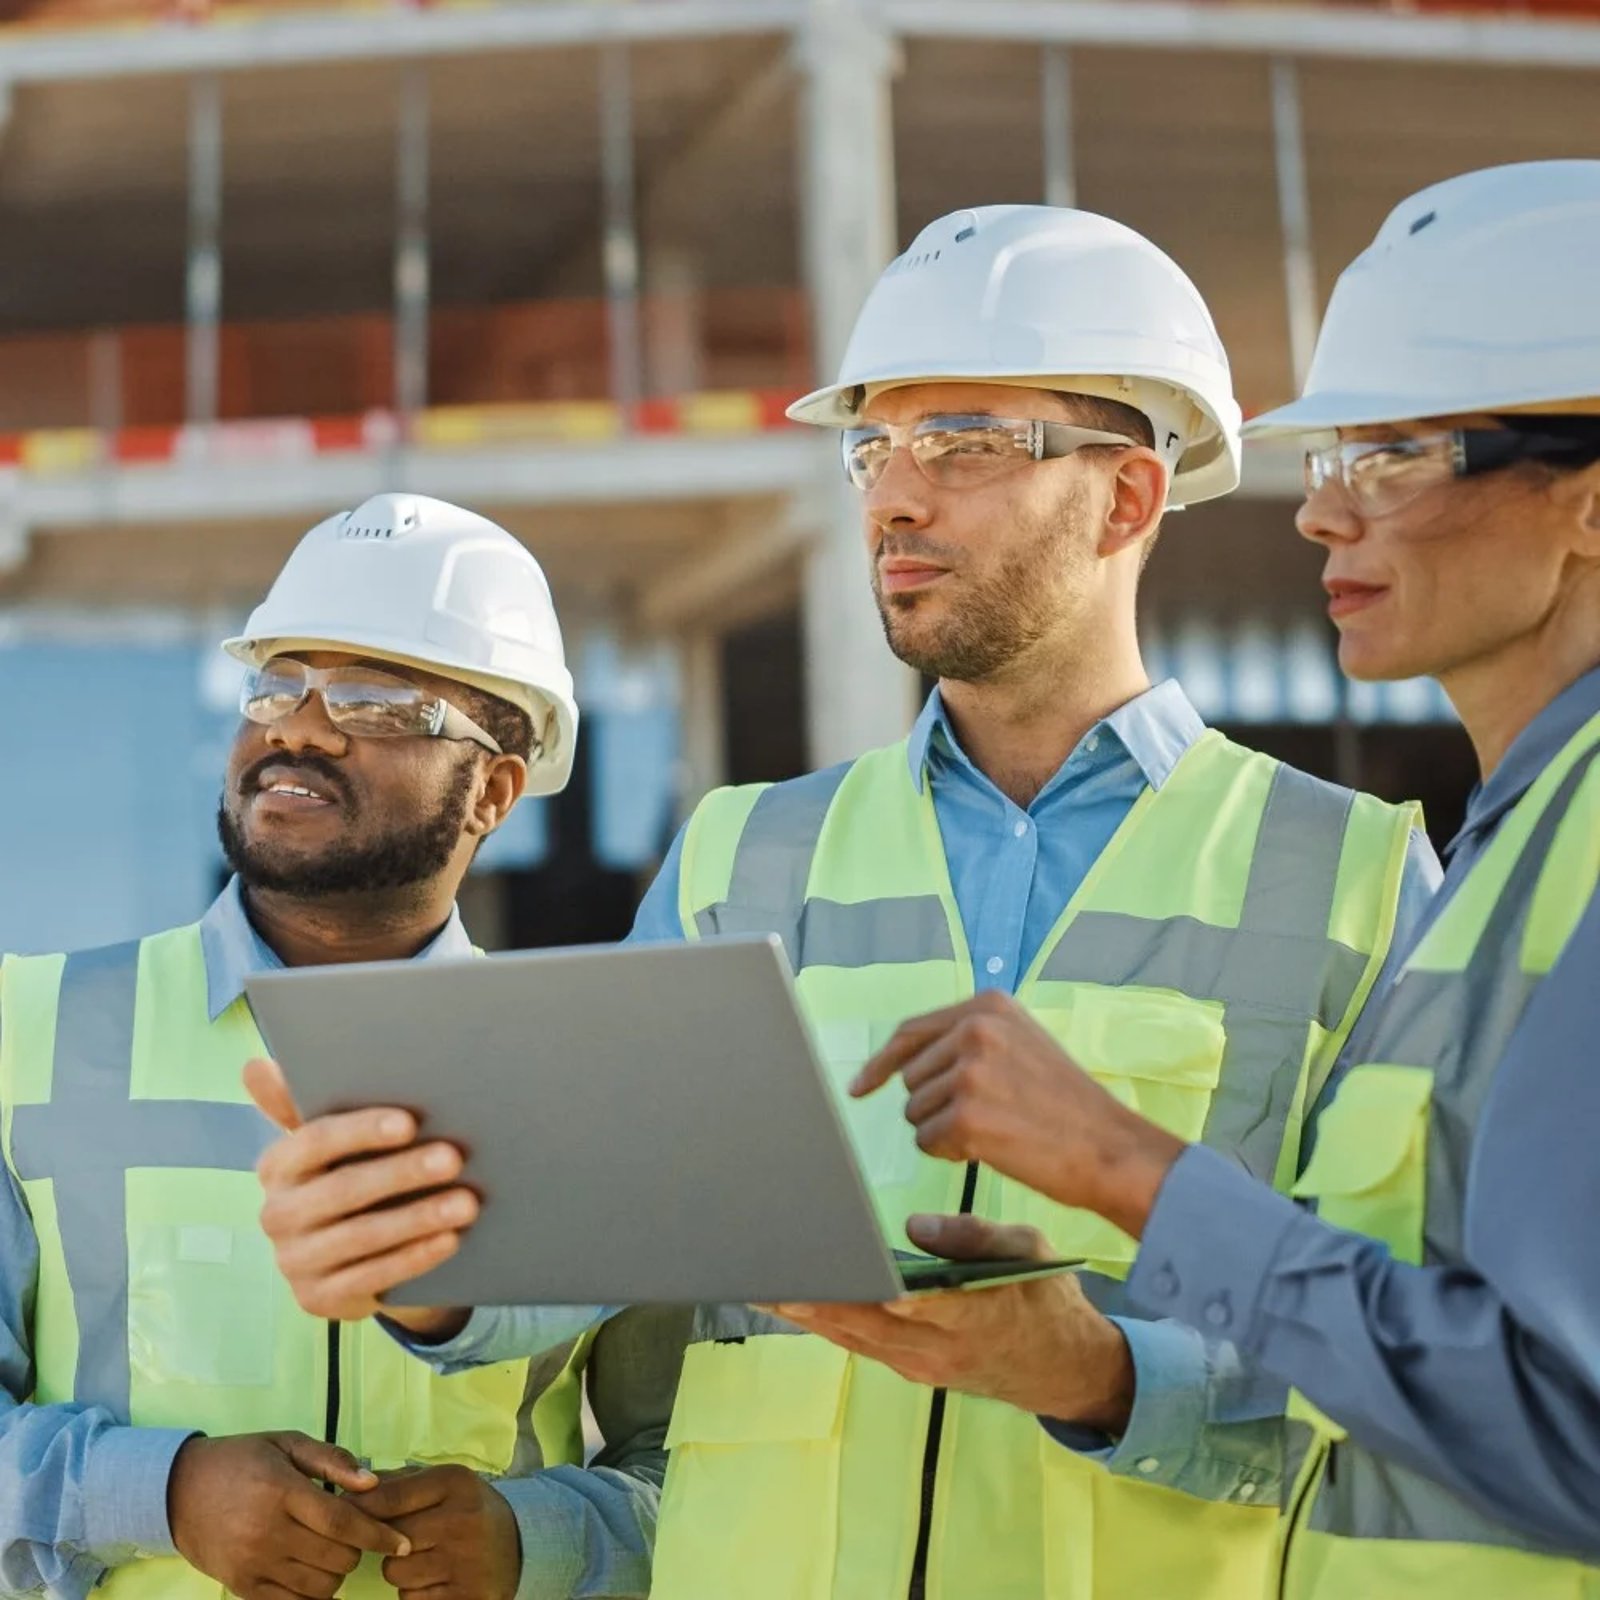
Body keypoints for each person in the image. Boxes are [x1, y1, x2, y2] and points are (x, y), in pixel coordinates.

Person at [248, 208, 1439, 1600]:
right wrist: (429, 1265)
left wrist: (1102, 1372)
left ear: (1124, 497)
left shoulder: (1351, 878)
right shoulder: (740, 856)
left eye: (965, 444)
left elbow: (1417, 1373)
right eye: (872, 448)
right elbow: (594, 1249)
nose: (892, 497)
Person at [848, 163, 1600, 1596]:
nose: (1323, 515)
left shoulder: (1479, 858)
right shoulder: (1522, 843)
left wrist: (1131, 1176)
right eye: (1332, 461)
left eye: (1397, 456)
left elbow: (1565, 1425)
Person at [0, 493, 685, 1600]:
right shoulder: (23, 1030)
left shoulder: (594, 1083)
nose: (299, 728)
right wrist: (161, 1493)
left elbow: (698, 1462)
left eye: (373, 700)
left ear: (495, 791)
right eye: (278, 684)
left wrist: (539, 1538)